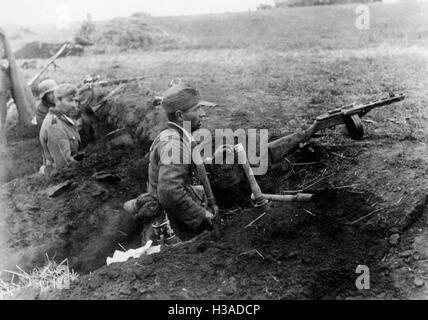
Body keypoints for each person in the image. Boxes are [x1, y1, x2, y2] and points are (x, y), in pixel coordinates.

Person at [125, 83, 226, 243]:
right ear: (180, 115)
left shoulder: (177, 137)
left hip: (177, 221)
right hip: (171, 231)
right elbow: (170, 193)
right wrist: (203, 215)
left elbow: (185, 172)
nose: (203, 114)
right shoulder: (174, 143)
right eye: (197, 109)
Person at [39, 83, 81, 173]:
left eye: (76, 101)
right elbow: (64, 166)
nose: (74, 105)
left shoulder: (63, 117)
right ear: (57, 101)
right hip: (59, 177)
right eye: (70, 101)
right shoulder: (55, 127)